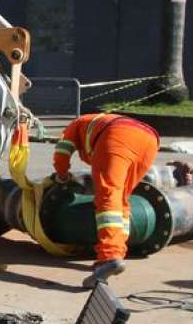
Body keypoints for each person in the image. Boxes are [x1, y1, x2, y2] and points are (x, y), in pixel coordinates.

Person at [52, 112, 160, 288]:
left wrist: (62, 175)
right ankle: (119, 249)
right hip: (149, 140)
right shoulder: (96, 121)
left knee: (107, 198)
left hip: (117, 136)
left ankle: (109, 257)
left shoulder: (75, 125)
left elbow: (62, 152)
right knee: (121, 198)